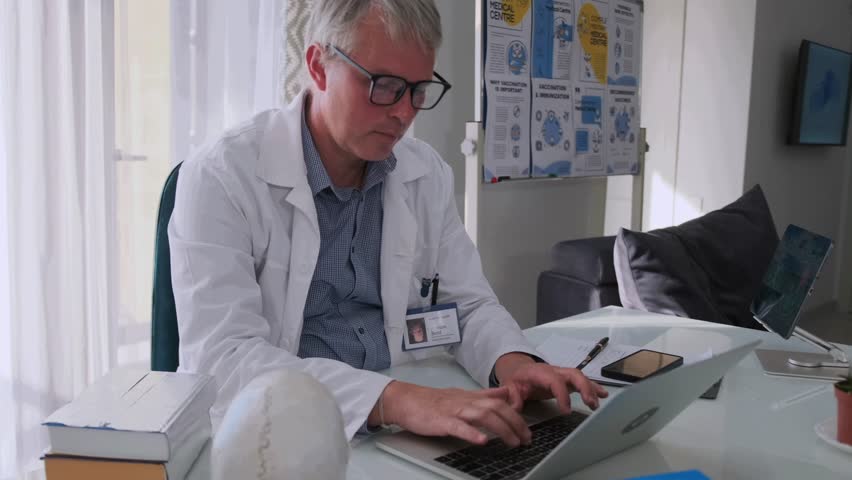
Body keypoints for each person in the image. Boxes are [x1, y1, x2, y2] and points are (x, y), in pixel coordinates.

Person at [170, 0, 607, 449]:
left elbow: (466, 305)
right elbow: (223, 361)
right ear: (319, 67)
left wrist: (514, 363)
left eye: (418, 90)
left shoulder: (424, 173)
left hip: (401, 425)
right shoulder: (222, 176)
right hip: (278, 440)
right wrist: (394, 401)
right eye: (384, 86)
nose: (404, 113)